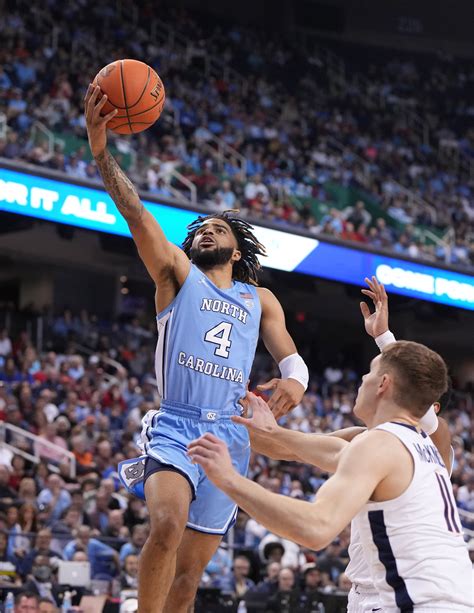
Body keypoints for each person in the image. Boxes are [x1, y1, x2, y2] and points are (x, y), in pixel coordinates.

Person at [84, 84, 307, 613]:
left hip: (231, 435)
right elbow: (138, 216)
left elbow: (291, 359)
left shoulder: (261, 298)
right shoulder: (177, 277)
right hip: (177, 425)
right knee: (164, 525)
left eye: (217, 227)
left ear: (237, 247)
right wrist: (101, 153)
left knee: (188, 579)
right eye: (201, 228)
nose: (206, 231)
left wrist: (294, 383)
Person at [189, 339, 472, 611]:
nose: (362, 379)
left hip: (422, 604)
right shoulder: (416, 444)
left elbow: (316, 528)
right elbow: (327, 451)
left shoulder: (379, 444)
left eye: (370, 372)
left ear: (384, 384)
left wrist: (229, 480)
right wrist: (272, 431)